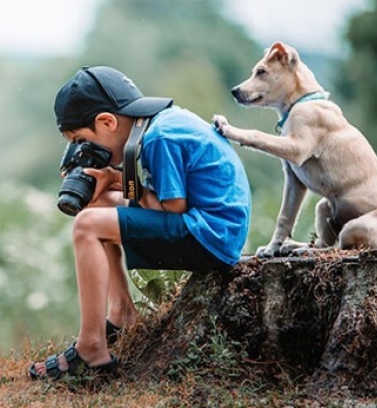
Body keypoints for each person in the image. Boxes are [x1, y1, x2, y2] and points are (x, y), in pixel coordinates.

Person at [29, 65, 251, 381]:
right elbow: (162, 200)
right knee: (98, 205)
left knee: (87, 225)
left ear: (107, 122)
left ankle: (91, 346)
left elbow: (173, 209)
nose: (82, 151)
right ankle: (121, 312)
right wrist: (111, 180)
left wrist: (118, 179)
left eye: (81, 140)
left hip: (210, 236)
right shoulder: (158, 124)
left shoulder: (159, 138)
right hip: (208, 226)